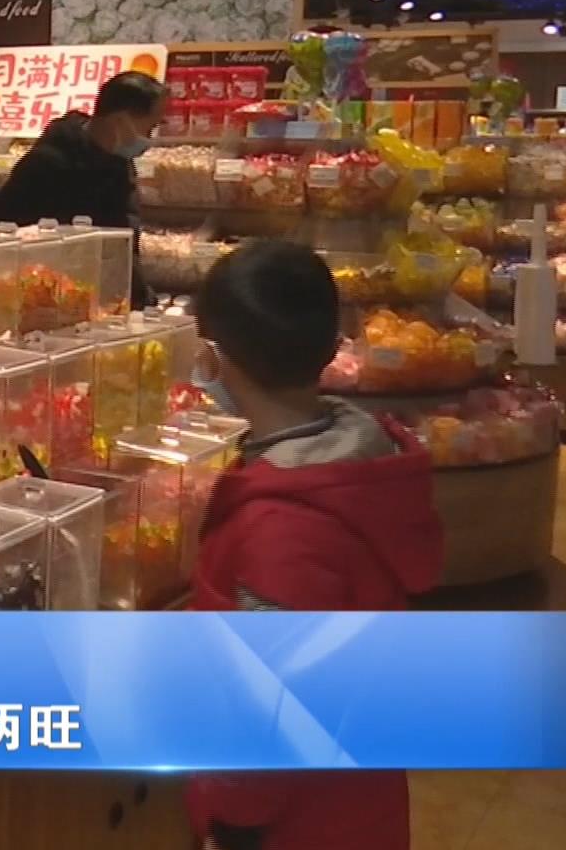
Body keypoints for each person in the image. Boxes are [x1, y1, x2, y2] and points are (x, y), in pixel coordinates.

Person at [187, 239, 444, 850]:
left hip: (296, 826)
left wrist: (230, 823)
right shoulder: (365, 463)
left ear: (213, 358)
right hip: (361, 801)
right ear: (332, 345)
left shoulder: (283, 530)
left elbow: (265, 723)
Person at [0, 70, 165, 306]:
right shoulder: (49, 163)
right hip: (45, 300)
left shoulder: (119, 163)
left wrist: (139, 299)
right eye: (149, 128)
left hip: (99, 301)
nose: (149, 138)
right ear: (120, 120)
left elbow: (122, 244)